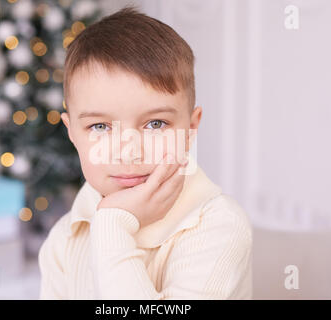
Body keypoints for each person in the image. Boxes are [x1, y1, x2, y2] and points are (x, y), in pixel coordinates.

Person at [38, 5, 253, 299]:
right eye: (100, 126)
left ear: (190, 128)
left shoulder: (219, 226)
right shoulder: (63, 240)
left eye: (155, 124)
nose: (128, 153)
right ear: (72, 132)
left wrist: (113, 224)